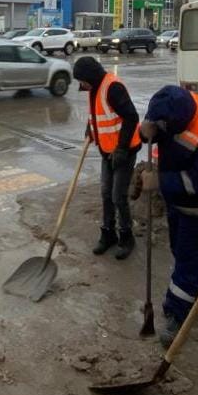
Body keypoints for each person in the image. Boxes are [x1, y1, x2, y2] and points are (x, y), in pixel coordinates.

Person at [136, 85, 198, 347]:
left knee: (186, 259)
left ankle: (177, 314)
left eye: (164, 125)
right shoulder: (171, 106)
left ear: (179, 120)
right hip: (177, 202)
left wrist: (161, 182)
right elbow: (156, 128)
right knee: (182, 252)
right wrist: (146, 131)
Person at [73, 56, 141, 260]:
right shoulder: (93, 88)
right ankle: (108, 234)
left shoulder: (113, 87)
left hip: (124, 151)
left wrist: (121, 149)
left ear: (90, 76)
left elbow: (131, 117)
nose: (81, 85)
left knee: (118, 196)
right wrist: (90, 127)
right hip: (107, 151)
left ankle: (127, 237)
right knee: (105, 193)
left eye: (81, 80)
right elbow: (97, 113)